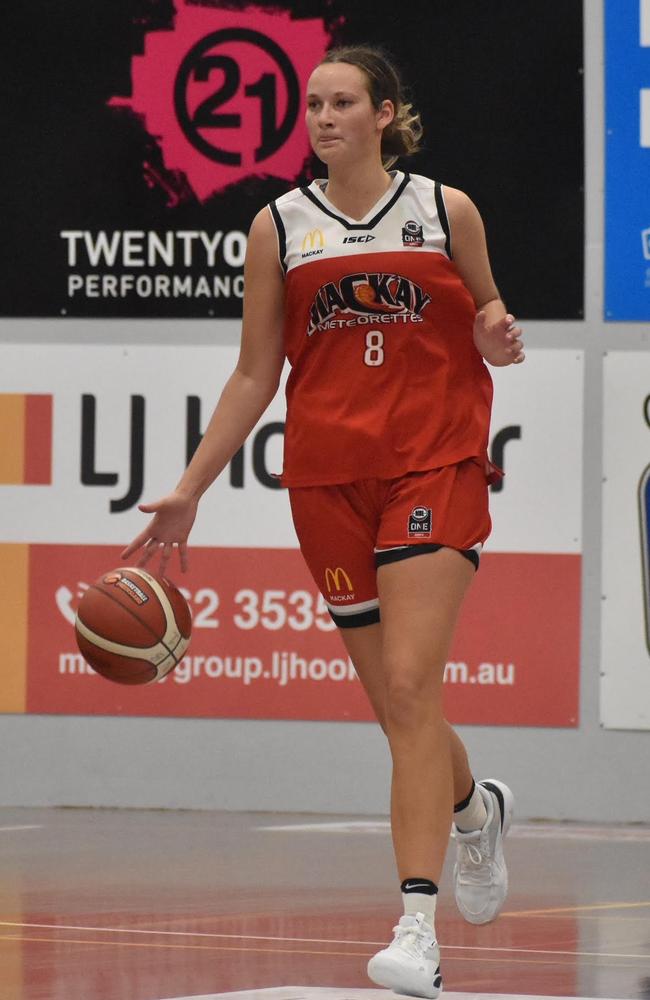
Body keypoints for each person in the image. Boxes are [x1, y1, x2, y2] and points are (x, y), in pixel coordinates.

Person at [122, 44, 524, 999]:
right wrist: (191, 485)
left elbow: (490, 310)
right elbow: (257, 373)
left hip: (434, 462)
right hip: (326, 482)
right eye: (314, 104)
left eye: (344, 102)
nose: (323, 117)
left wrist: (497, 334)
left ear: (385, 113)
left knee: (413, 681)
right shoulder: (277, 225)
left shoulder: (444, 209)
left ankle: (416, 928)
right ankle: (475, 810)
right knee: (398, 709)